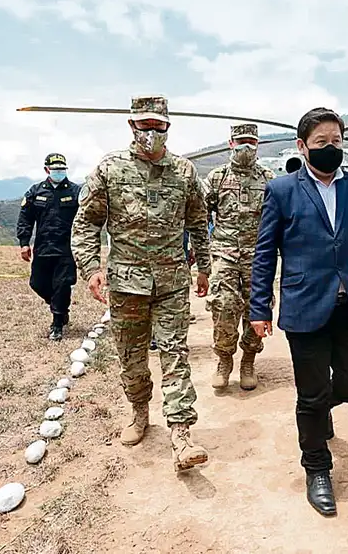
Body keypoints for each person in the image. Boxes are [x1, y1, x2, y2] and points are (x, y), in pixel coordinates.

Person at [249, 107, 348, 517]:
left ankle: (317, 414)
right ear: (302, 146)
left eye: (336, 141)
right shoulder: (282, 190)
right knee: (311, 392)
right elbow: (265, 253)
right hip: (305, 306)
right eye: (321, 143)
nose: (330, 148)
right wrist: (258, 306)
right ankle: (317, 468)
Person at [70, 95, 212, 472]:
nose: (151, 132)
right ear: (132, 126)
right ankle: (139, 413)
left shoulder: (184, 173)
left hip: (171, 282)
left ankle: (182, 435)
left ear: (168, 127)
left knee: (174, 353)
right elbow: (86, 223)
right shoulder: (110, 169)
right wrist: (91, 269)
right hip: (125, 284)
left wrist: (204, 267)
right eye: (144, 125)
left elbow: (199, 222)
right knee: (132, 359)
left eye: (158, 125)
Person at [205, 123, 276, 390]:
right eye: (241, 141)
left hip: (258, 255)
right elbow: (200, 215)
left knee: (257, 308)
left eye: (251, 142)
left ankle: (248, 358)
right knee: (223, 306)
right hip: (224, 253)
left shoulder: (268, 178)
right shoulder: (217, 177)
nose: (246, 147)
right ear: (231, 143)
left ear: (258, 144)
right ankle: (224, 359)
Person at [16, 153, 83, 341]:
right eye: (55, 170)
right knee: (37, 283)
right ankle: (57, 306)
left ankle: (57, 323)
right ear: (47, 170)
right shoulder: (35, 192)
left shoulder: (76, 192)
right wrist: (24, 243)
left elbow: (86, 220)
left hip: (66, 249)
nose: (59, 172)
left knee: (62, 285)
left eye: (62, 169)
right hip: (43, 247)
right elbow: (25, 219)